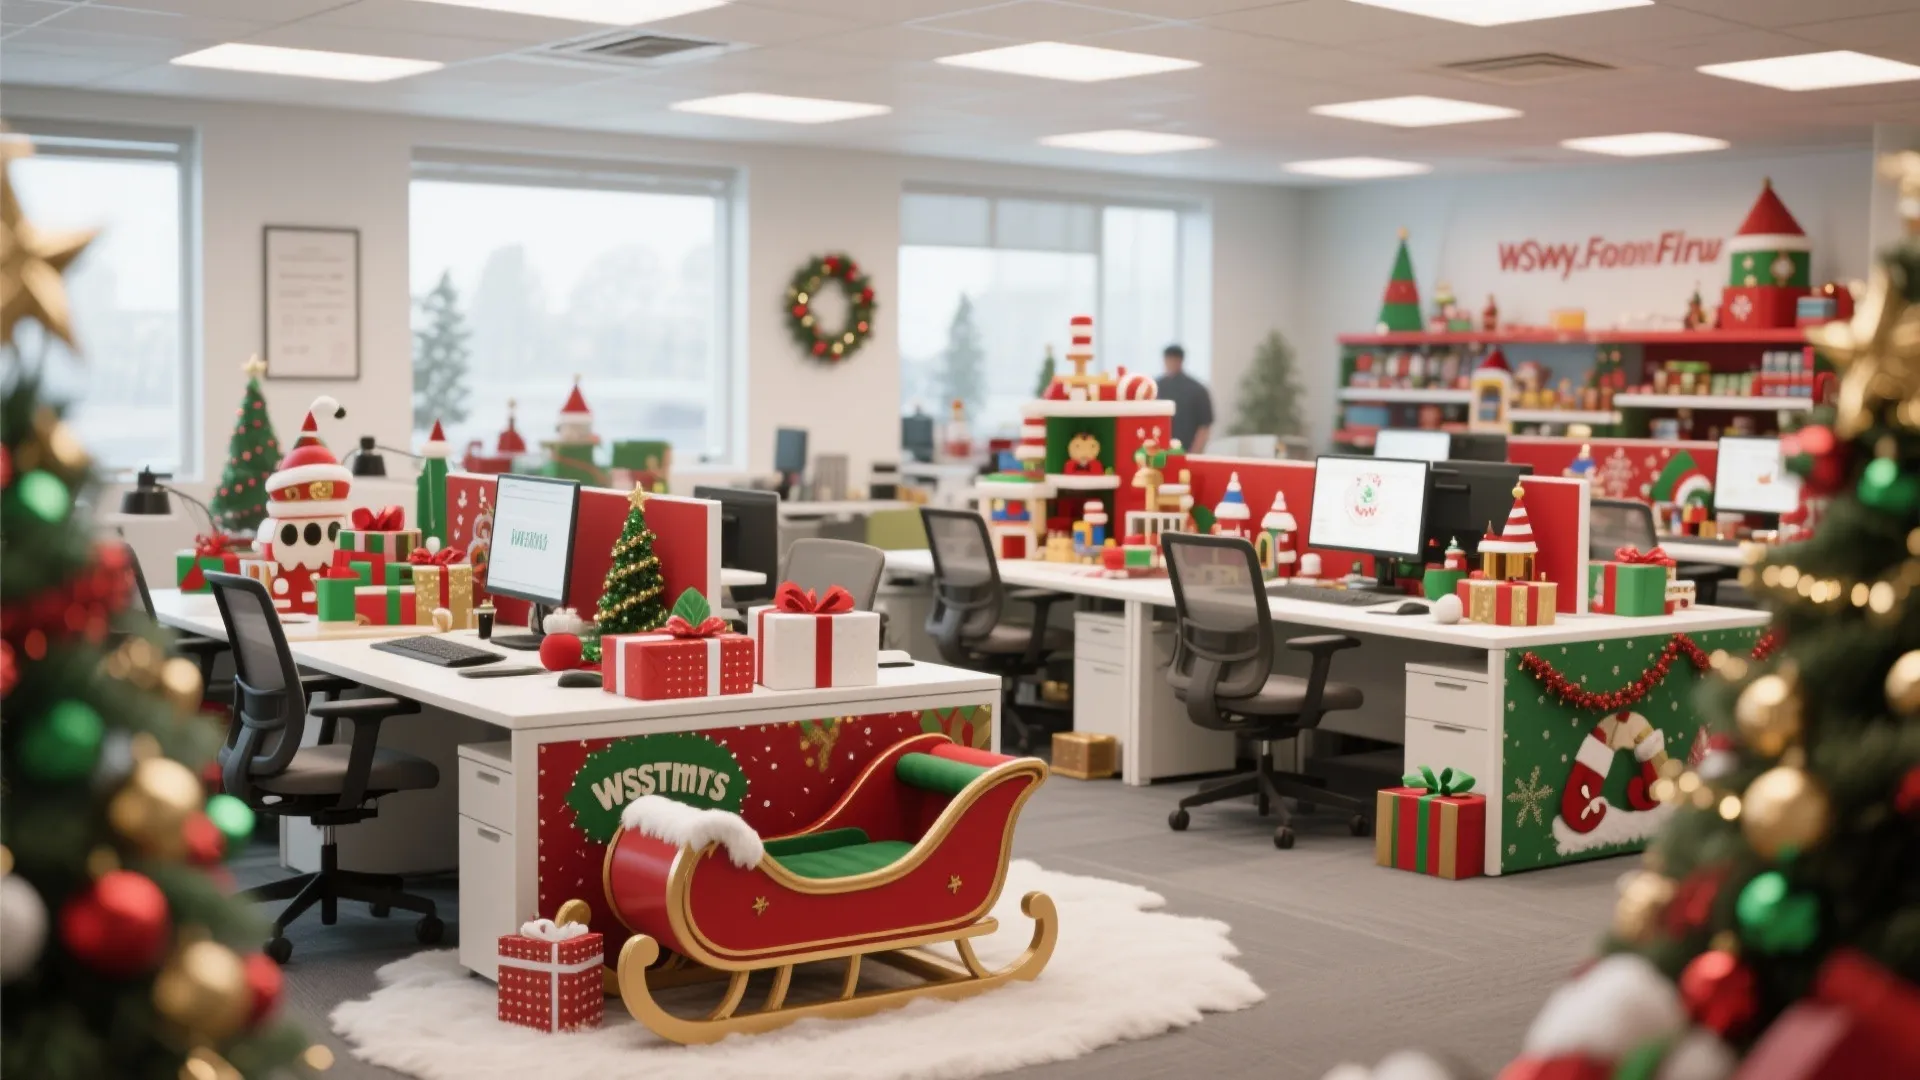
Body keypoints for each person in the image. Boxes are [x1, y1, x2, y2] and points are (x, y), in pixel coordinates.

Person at [1155, 345, 1213, 453]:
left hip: (1187, 450)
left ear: (1180, 360)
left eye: (1173, 359)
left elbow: (1204, 426)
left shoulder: (1197, 390)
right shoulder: (1155, 387)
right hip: (1159, 452)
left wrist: (1194, 453)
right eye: (1168, 360)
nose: (1170, 363)